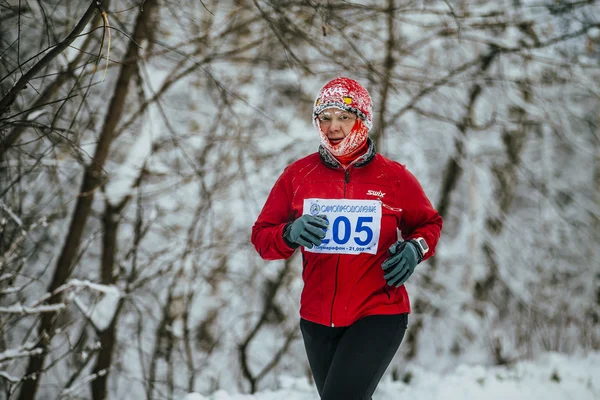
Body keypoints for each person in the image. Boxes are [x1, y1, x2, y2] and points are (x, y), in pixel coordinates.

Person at [251, 77, 443, 399]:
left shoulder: (393, 177)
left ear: (363, 121)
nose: (333, 127)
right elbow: (262, 238)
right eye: (324, 118)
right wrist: (290, 232)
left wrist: (414, 249)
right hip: (316, 318)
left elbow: (429, 224)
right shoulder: (298, 176)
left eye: (343, 117)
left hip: (379, 312)